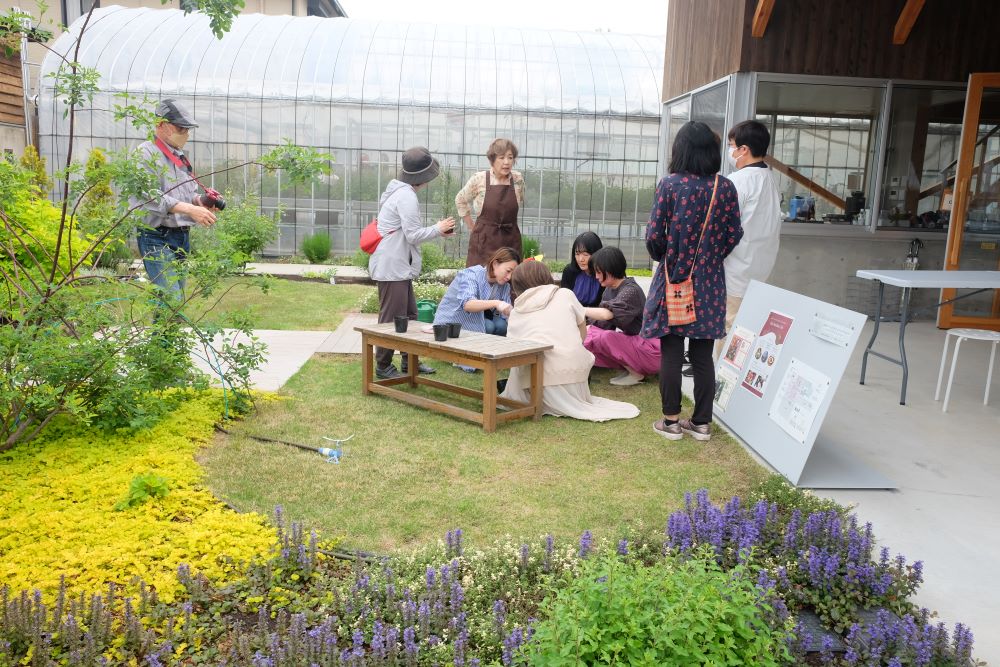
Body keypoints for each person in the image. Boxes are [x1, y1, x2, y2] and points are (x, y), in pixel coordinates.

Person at [641, 121, 743, 441]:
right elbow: (733, 235)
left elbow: (655, 237)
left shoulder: (669, 185)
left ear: (680, 150)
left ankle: (671, 423)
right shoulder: (724, 187)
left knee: (671, 351)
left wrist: (669, 257)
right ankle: (701, 424)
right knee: (702, 355)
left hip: (675, 279)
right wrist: (710, 258)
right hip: (711, 283)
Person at [501, 261, 640, 422]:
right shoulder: (565, 294)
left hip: (533, 383)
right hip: (575, 377)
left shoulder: (517, 311)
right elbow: (581, 334)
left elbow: (513, 352)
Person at [369, 146, 456, 379]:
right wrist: (439, 229)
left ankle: (410, 362)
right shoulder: (406, 196)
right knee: (391, 319)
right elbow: (413, 235)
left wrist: (438, 231)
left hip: (397, 266)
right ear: (423, 176)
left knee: (409, 315)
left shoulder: (400, 192)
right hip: (393, 267)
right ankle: (383, 365)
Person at [134, 99, 218, 303]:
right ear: (162, 125)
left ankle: (164, 336)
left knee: (173, 302)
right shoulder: (145, 153)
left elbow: (185, 196)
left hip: (181, 237)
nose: (186, 134)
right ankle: (163, 335)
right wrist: (190, 209)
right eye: (181, 128)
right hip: (156, 236)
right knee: (171, 298)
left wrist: (201, 202)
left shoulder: (179, 156)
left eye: (187, 129)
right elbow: (150, 196)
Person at [718, 120, 782, 356]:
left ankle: (725, 387)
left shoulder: (737, 181)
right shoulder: (770, 180)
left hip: (736, 270)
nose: (730, 151)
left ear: (743, 149)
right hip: (762, 270)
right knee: (750, 330)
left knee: (731, 331)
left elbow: (721, 228)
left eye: (731, 145)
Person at [583, 246, 661, 386]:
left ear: (610, 269)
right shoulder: (609, 290)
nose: (596, 276)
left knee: (603, 337)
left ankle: (637, 374)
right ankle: (631, 368)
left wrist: (578, 309)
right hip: (637, 345)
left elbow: (607, 314)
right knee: (588, 335)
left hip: (652, 349)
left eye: (599, 272)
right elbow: (600, 324)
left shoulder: (631, 290)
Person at [456, 138, 525, 267]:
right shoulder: (479, 179)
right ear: (492, 159)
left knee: (510, 280)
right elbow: (460, 199)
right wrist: (472, 226)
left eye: (510, 157)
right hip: (484, 241)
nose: (506, 162)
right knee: (480, 278)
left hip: (510, 240)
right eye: (501, 157)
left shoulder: (517, 180)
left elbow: (519, 200)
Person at [433, 246, 520, 336]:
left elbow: (506, 314)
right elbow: (467, 304)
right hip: (452, 323)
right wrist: (496, 303)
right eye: (508, 271)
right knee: (489, 326)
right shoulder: (471, 274)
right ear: (495, 264)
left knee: (502, 325)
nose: (509, 277)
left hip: (479, 318)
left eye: (512, 274)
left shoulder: (504, 285)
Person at [559, 231, 604, 307]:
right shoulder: (569, 271)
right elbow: (565, 300)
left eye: (585, 254)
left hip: (598, 317)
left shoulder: (605, 273)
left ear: (597, 253)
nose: (580, 259)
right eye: (577, 254)